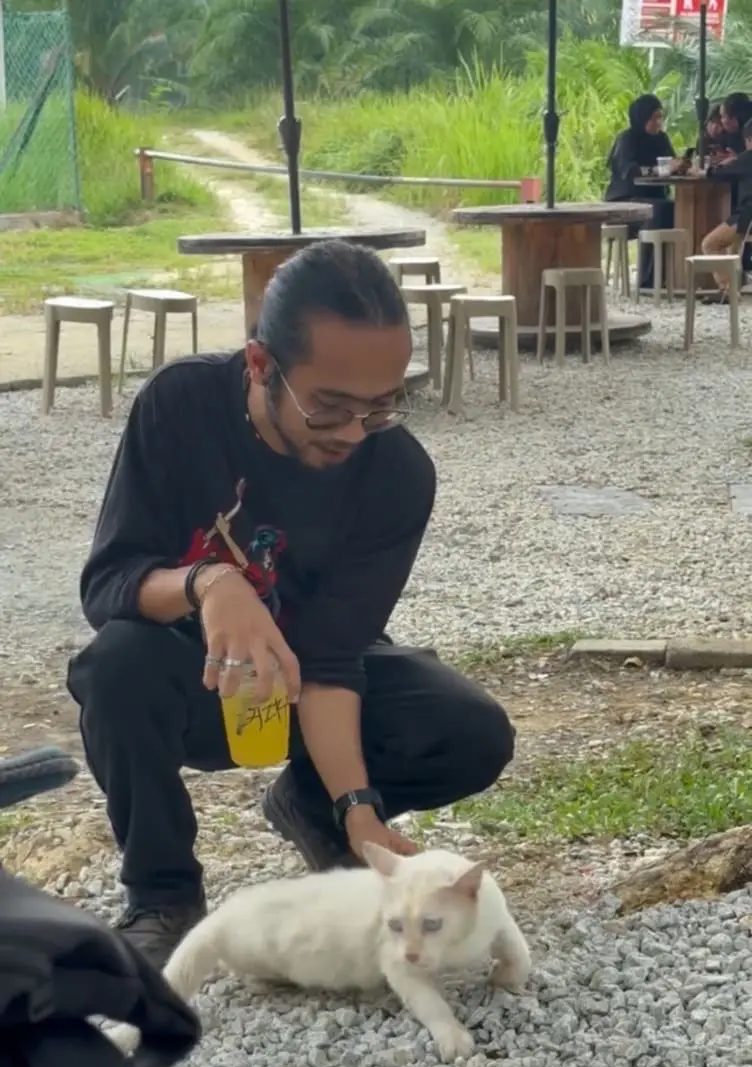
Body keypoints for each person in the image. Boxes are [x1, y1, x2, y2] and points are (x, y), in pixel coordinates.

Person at [67, 241, 515, 970]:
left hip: (310, 674)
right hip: (191, 675)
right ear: (259, 366)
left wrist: (358, 811)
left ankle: (310, 806)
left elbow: (335, 658)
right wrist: (211, 584)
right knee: (114, 664)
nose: (352, 433)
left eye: (380, 406)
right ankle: (163, 895)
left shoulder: (397, 471)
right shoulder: (180, 407)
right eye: (329, 407)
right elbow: (109, 583)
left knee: (468, 729)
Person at [604, 94, 677, 291]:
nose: (658, 122)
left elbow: (671, 162)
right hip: (624, 201)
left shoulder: (662, 139)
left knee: (674, 209)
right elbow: (629, 171)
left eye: (660, 117)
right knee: (656, 211)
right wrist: (654, 170)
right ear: (642, 117)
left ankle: (673, 275)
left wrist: (679, 165)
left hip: (654, 197)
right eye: (654, 117)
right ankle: (647, 280)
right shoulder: (627, 139)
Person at [701, 117, 752, 296]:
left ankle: (727, 290)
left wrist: (701, 170)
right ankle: (733, 286)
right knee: (734, 246)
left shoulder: (748, 157)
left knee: (709, 244)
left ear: (748, 140)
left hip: (747, 217)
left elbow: (717, 173)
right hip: (746, 220)